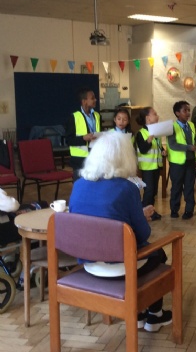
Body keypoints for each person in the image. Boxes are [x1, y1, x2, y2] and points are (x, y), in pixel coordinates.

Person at [69, 131, 172, 332]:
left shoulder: (78, 185)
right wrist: (140, 216)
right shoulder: (127, 188)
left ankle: (139, 313)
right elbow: (142, 234)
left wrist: (134, 214)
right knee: (158, 253)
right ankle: (154, 314)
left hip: (88, 263)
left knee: (148, 254)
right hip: (120, 265)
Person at [167, 101, 196, 220]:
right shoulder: (172, 127)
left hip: (190, 160)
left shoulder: (191, 125)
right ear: (177, 113)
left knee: (189, 186)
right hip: (177, 162)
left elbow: (195, 138)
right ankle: (174, 209)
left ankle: (189, 210)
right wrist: (189, 147)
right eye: (185, 110)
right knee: (177, 186)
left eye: (189, 110)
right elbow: (173, 144)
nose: (188, 113)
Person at [135, 107, 166, 221]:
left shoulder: (156, 133)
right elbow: (143, 149)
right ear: (147, 118)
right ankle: (144, 212)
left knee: (153, 191)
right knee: (148, 190)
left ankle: (151, 211)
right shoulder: (141, 133)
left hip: (156, 166)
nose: (157, 116)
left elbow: (158, 146)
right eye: (155, 114)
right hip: (147, 167)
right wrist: (148, 140)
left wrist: (163, 151)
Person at [65, 88, 101, 182]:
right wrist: (83, 138)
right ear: (84, 101)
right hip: (79, 160)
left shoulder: (97, 115)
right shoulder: (74, 117)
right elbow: (68, 140)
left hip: (96, 157)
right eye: (92, 98)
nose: (95, 100)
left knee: (94, 185)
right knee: (80, 186)